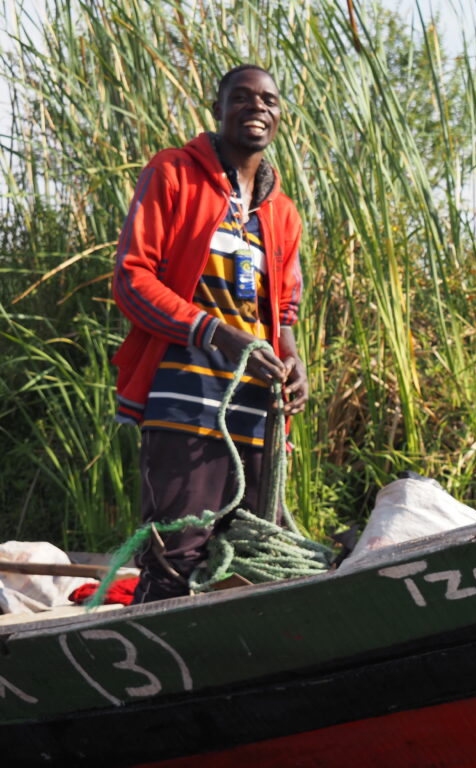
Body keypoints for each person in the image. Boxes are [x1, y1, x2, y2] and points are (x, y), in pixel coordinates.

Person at [111, 64, 308, 603]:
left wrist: (293, 362)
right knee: (179, 552)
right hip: (186, 393)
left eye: (268, 100)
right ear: (217, 108)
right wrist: (217, 334)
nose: (256, 108)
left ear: (279, 115)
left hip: (254, 402)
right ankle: (166, 674)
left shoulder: (282, 212)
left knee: (246, 551)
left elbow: (283, 310)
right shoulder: (173, 173)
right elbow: (132, 278)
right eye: (241, 98)